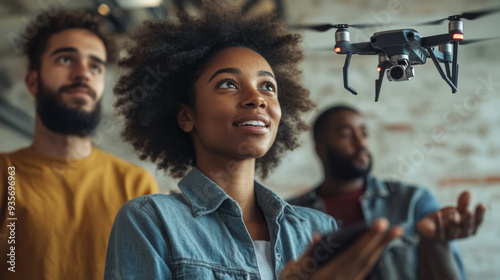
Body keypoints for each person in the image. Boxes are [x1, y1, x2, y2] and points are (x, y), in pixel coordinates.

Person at [103, 3, 405, 280]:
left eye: (267, 87)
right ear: (186, 116)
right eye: (228, 84)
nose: (257, 99)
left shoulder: (318, 229)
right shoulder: (151, 221)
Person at [0, 11, 158, 280]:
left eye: (95, 66)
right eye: (65, 59)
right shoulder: (6, 174)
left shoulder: (136, 185)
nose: (83, 73)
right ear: (33, 82)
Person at [287, 104, 486, 280]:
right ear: (321, 149)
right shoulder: (290, 214)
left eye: (364, 134)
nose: (361, 144)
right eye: (346, 135)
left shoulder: (413, 200)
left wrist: (435, 243)